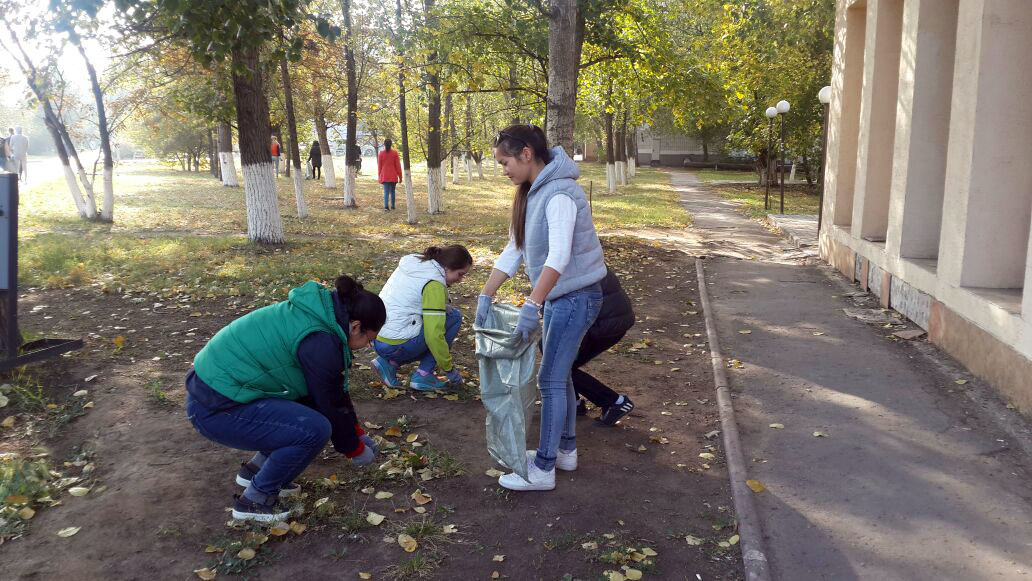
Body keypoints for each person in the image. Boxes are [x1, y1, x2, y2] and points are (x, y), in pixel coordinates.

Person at [184, 275, 386, 522]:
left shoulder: (319, 317)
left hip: (216, 394)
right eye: (369, 340)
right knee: (314, 429)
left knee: (303, 415)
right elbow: (329, 404)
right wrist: (354, 448)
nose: (367, 346)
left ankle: (256, 471)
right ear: (355, 326)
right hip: (215, 408)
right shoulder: (321, 341)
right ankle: (255, 500)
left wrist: (355, 432)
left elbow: (330, 392)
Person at [477, 124, 606, 492]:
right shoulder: (532, 192)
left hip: (576, 297)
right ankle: (565, 451)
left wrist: (532, 303)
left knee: (549, 379)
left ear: (527, 154)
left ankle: (544, 468)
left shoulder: (560, 192)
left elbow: (559, 256)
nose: (504, 170)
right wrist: (486, 293)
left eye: (505, 162)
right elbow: (515, 248)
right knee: (559, 376)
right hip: (562, 297)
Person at [372, 245, 472, 391]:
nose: (460, 280)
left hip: (378, 337)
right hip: (395, 345)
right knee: (453, 318)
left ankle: (389, 363)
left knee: (443, 316)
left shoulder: (416, 265)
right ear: (447, 268)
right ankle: (423, 374)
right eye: (460, 274)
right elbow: (434, 336)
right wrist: (449, 369)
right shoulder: (434, 284)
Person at [571, 267, 635, 425]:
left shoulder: (563, 261)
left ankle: (615, 402)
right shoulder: (582, 256)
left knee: (559, 364)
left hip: (605, 324)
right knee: (558, 359)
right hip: (609, 318)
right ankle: (574, 403)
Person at [378, 139, 402, 211]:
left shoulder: (381, 153)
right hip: (393, 175)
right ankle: (393, 206)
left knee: (386, 192)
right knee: (392, 191)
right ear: (391, 144)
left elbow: (379, 166)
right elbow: (398, 166)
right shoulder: (395, 153)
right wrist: (400, 176)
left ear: (384, 144)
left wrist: (379, 176)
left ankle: (386, 207)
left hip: (385, 175)